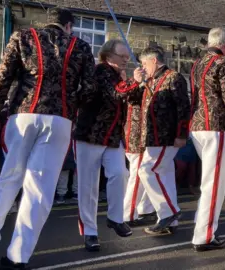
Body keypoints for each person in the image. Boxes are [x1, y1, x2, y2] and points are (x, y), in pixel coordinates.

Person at [0, 8, 96, 268]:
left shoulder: (22, 37)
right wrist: (71, 104)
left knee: (8, 179)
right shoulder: (80, 46)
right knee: (39, 189)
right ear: (69, 26)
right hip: (59, 119)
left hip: (23, 115)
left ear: (47, 21)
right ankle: (17, 257)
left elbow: (3, 76)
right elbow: (90, 89)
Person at [74, 39, 134, 252]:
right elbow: (115, 93)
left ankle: (115, 218)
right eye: (122, 56)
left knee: (120, 173)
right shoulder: (100, 71)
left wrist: (136, 84)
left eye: (127, 57)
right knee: (88, 187)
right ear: (108, 56)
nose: (126, 60)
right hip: (90, 135)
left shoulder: (119, 75)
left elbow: (128, 98)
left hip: (112, 137)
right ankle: (90, 232)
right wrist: (133, 82)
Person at [126, 46, 190, 236]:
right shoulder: (150, 81)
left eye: (144, 64)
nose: (143, 68)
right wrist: (137, 81)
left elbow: (183, 106)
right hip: (152, 136)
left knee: (147, 170)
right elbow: (133, 101)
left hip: (166, 136)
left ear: (154, 61)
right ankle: (172, 220)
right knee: (164, 175)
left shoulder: (173, 77)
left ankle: (168, 212)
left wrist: (181, 133)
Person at [189, 27, 225, 251]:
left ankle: (201, 223)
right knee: (214, 183)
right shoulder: (223, 62)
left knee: (207, 180)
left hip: (197, 125)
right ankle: (204, 235)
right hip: (215, 125)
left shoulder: (196, 64)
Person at [122, 87, 156, 227]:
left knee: (146, 174)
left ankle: (145, 209)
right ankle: (128, 214)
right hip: (136, 140)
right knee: (136, 177)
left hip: (138, 138)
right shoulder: (136, 89)